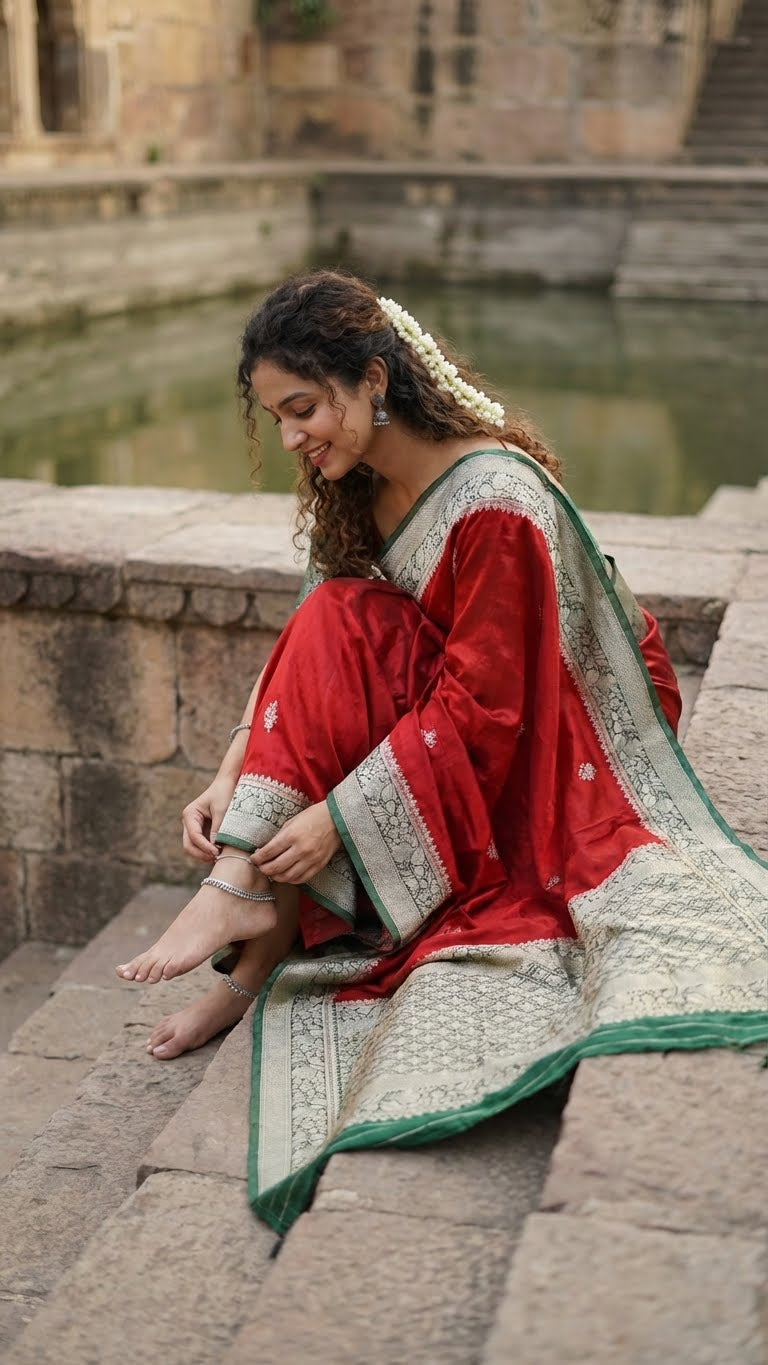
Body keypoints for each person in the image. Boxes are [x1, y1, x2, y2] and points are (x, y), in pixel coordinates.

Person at [116, 270, 768, 1234]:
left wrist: (339, 812)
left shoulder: (492, 497)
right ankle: (243, 903)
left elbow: (491, 702)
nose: (292, 437)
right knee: (340, 614)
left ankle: (243, 931)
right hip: (470, 682)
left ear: (374, 380)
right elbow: (314, 637)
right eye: (276, 417)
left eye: (304, 409)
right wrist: (230, 770)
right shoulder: (358, 481)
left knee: (351, 647)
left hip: (570, 712)